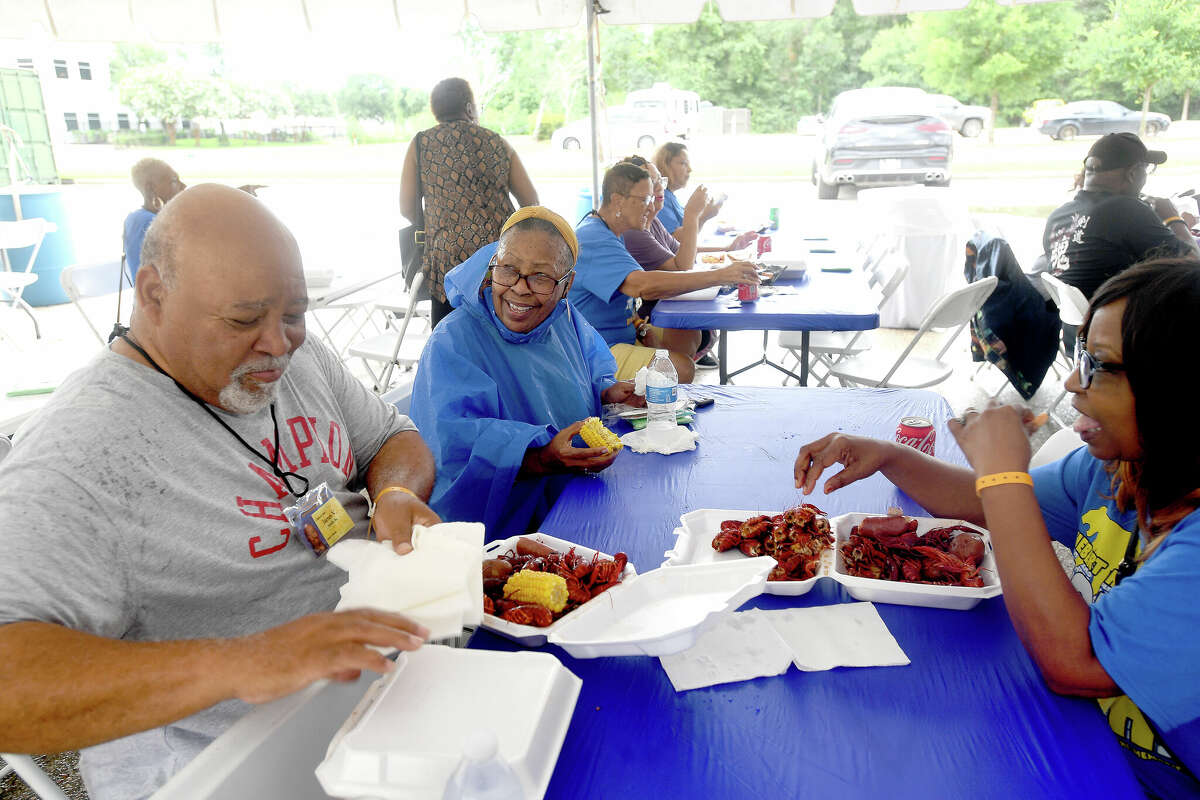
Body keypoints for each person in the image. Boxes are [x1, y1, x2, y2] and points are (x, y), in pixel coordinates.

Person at [0, 184, 441, 800]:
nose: (278, 343)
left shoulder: (297, 356)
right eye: (244, 319)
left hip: (380, 702)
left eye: (293, 314)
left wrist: (393, 493)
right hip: (230, 767)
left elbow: (395, 439)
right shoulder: (79, 456)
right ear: (154, 294)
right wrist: (242, 660)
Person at [793, 258, 1200, 799]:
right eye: (1081, 356)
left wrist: (1006, 475)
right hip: (1085, 739)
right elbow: (983, 506)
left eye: (1099, 365)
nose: (1075, 382)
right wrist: (890, 457)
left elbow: (1074, 665)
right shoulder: (1118, 468)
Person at [409, 206, 642, 540]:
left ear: (567, 284)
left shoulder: (564, 318)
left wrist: (606, 391)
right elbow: (453, 450)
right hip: (499, 530)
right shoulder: (452, 341)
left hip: (573, 495)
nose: (520, 288)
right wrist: (542, 457)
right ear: (493, 266)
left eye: (541, 276)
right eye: (508, 270)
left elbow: (590, 365)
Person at [568, 162, 759, 383]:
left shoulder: (612, 231)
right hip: (595, 350)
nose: (651, 207)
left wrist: (639, 325)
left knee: (686, 332)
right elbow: (642, 286)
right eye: (645, 200)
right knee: (680, 369)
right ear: (618, 200)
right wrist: (720, 275)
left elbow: (623, 298)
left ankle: (660, 395)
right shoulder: (593, 237)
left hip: (623, 334)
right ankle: (650, 403)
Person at [400, 77, 539, 327]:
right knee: (499, 340)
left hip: (447, 265)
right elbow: (531, 203)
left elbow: (407, 209)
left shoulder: (421, 144)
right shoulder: (496, 142)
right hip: (498, 261)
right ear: (468, 107)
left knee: (450, 342)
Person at [618, 155, 757, 368]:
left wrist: (728, 248)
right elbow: (683, 266)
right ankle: (668, 380)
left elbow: (682, 250)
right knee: (687, 346)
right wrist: (692, 216)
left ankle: (672, 379)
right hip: (642, 317)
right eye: (651, 184)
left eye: (659, 182)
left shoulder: (651, 222)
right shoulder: (634, 232)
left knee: (693, 331)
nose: (658, 189)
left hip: (647, 313)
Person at [1043, 132, 1198, 302]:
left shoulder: (1057, 216)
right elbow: (1193, 264)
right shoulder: (1125, 209)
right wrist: (1172, 217)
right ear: (1132, 173)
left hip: (1080, 324)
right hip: (1120, 323)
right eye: (1146, 168)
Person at [123, 158, 186, 281]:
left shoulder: (134, 219)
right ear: (151, 188)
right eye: (174, 181)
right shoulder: (152, 223)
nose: (183, 186)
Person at [654, 142, 721, 237]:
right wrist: (703, 217)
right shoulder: (660, 199)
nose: (689, 169)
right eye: (683, 163)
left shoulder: (670, 196)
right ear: (665, 165)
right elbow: (676, 243)